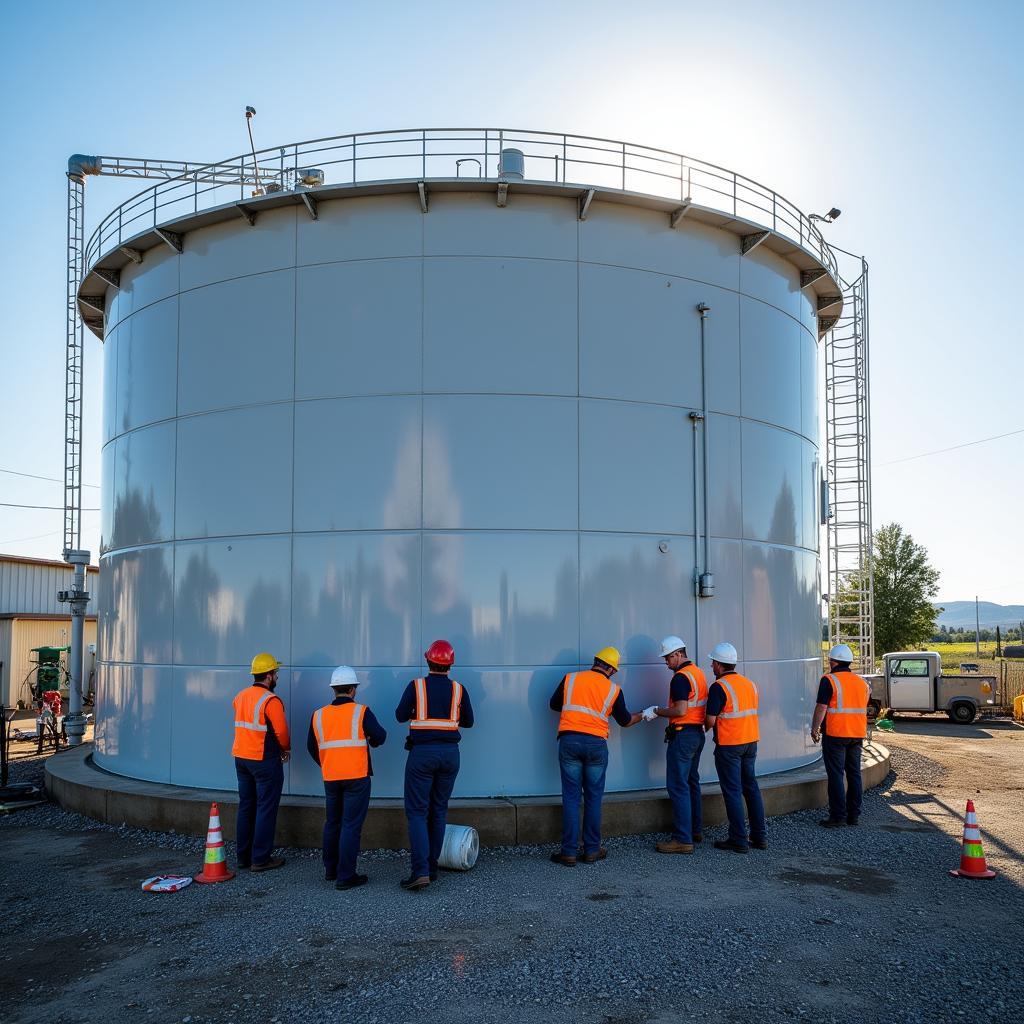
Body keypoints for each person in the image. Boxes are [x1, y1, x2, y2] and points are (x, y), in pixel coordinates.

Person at [548, 646, 643, 866]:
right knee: (593, 798)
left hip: (569, 741)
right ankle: (592, 850)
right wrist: (643, 716)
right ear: (611, 669)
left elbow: (554, 705)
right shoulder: (613, 690)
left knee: (571, 798)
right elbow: (626, 721)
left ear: (595, 661)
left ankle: (569, 852)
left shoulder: (570, 679)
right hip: (596, 746)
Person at [394, 640, 474, 892]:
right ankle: (431, 868)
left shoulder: (416, 686)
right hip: (450, 755)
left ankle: (420, 872)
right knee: (438, 810)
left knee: (417, 812)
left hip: (422, 754)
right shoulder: (459, 690)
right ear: (450, 664)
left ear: (428, 660)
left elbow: (399, 715)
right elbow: (469, 722)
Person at [307, 665, 387, 890]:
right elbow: (380, 736)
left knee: (332, 822)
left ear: (334, 689)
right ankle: (346, 876)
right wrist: (371, 739)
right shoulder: (361, 712)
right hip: (357, 777)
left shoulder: (319, 714)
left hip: (331, 777)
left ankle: (330, 870)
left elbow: (311, 747)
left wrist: (328, 763)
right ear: (353, 689)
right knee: (351, 825)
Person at [645, 636, 708, 854]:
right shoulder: (698, 673)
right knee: (692, 783)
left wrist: (656, 711)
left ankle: (683, 839)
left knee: (678, 786)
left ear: (678, 654)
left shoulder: (680, 678)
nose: (666, 662)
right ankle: (694, 830)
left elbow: (680, 710)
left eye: (667, 658)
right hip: (697, 735)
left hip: (683, 736)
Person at [704, 642, 767, 853]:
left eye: (713, 662)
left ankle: (738, 839)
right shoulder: (749, 684)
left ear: (720, 665)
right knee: (751, 789)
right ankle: (759, 836)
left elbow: (711, 720)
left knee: (732, 791)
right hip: (750, 742)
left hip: (729, 745)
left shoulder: (719, 687)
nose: (712, 666)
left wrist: (702, 727)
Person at [231, 652, 291, 872]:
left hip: (241, 759)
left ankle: (243, 857)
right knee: (266, 807)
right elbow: (281, 732)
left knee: (246, 806)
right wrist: (285, 749)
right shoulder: (270, 700)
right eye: (275, 673)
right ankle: (261, 859)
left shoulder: (240, 696)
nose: (277, 677)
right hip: (264, 760)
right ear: (268, 676)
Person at [811, 643, 871, 828]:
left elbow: (822, 707)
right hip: (857, 734)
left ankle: (838, 816)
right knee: (854, 774)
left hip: (836, 734)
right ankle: (854, 815)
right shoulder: (862, 683)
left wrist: (815, 728)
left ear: (833, 662)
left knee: (836, 775)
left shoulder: (829, 680)